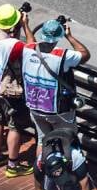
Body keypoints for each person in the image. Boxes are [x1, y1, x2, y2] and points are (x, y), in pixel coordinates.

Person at [0, 2, 34, 177]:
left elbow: (4, 38)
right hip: (10, 91)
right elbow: (32, 49)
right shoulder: (14, 45)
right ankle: (13, 165)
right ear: (13, 26)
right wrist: (25, 25)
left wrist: (14, 27)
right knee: (15, 126)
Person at [25, 16, 91, 156]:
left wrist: (25, 25)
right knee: (68, 141)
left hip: (35, 107)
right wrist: (69, 37)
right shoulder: (62, 55)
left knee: (42, 141)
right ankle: (68, 171)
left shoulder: (27, 49)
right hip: (59, 111)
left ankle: (42, 170)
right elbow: (85, 55)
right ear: (59, 36)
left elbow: (31, 41)